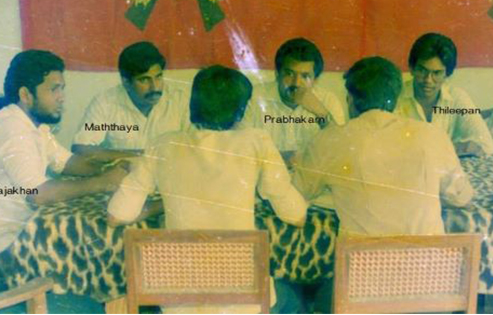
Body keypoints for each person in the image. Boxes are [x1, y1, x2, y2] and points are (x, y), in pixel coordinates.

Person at [107, 65, 307, 314]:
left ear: (192, 105)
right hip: (243, 304)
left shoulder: (163, 144)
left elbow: (117, 215)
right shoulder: (257, 141)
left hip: (179, 304)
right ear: (241, 111)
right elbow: (297, 216)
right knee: (295, 295)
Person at [293, 56, 474, 236]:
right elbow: (462, 197)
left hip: (361, 263)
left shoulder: (329, 140)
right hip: (430, 262)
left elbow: (297, 194)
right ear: (395, 99)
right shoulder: (432, 134)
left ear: (350, 99)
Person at [0, 50, 128, 253]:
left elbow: (67, 162)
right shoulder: (13, 128)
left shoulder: (34, 125)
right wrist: (103, 183)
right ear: (25, 95)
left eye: (62, 89)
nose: (61, 98)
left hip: (23, 232)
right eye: (54, 90)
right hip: (8, 244)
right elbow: (38, 194)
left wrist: (113, 167)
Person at [71, 41, 190, 160]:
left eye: (158, 77)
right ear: (126, 83)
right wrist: (147, 156)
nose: (155, 87)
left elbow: (197, 147)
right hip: (124, 176)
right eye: (144, 80)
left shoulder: (179, 100)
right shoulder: (105, 103)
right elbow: (81, 148)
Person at [242, 38, 345, 162]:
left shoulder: (328, 101)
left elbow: (341, 152)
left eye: (305, 76)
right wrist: (279, 158)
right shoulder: (253, 98)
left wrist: (322, 115)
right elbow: (241, 150)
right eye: (289, 74)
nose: (296, 83)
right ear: (277, 73)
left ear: (315, 80)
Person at [396, 33, 493, 157]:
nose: (428, 80)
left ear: (447, 74)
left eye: (436, 73)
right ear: (412, 68)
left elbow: (487, 145)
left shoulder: (456, 97)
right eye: (422, 70)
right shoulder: (396, 97)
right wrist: (451, 148)